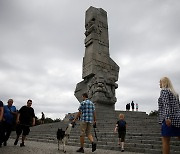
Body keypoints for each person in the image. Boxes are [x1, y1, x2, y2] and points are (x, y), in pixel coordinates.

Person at [158, 77, 180, 154]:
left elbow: (166, 105)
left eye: (160, 82)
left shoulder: (164, 91)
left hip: (168, 119)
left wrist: (167, 118)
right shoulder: (175, 93)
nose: (159, 83)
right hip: (177, 119)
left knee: (165, 140)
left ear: (164, 82)